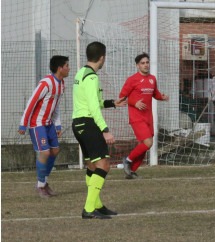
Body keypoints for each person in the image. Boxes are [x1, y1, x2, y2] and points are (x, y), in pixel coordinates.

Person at [72, 41, 127, 219]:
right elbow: (94, 109)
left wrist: (112, 103)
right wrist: (105, 129)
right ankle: (88, 209)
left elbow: (92, 103)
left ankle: (97, 204)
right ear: (102, 58)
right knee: (104, 164)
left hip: (79, 124)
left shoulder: (81, 73)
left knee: (93, 165)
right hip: (88, 124)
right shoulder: (92, 77)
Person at [18, 55, 71, 198]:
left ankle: (43, 183)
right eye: (67, 66)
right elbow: (31, 102)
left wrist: (58, 125)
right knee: (45, 152)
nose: (69, 68)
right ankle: (40, 185)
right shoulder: (46, 83)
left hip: (49, 124)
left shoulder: (61, 84)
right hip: (37, 124)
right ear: (60, 68)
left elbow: (56, 106)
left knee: (55, 151)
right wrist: (23, 123)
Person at [120, 53, 169, 179]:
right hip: (136, 117)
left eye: (147, 62)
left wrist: (162, 97)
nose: (146, 65)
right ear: (137, 66)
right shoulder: (132, 80)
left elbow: (155, 94)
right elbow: (122, 97)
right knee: (148, 142)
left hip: (148, 117)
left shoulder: (152, 79)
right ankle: (128, 160)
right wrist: (134, 103)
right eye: (143, 63)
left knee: (145, 145)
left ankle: (131, 172)